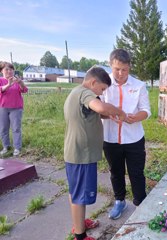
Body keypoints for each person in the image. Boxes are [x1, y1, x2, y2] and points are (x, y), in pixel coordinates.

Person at [64, 66, 126, 240]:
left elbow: (90, 113)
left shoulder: (76, 93)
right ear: (93, 82)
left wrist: (107, 116)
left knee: (76, 193)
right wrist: (119, 111)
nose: (102, 93)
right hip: (81, 155)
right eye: (102, 89)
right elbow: (99, 107)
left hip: (76, 154)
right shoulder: (85, 92)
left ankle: (79, 223)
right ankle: (80, 235)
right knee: (78, 196)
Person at [101, 49, 151, 220]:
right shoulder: (103, 84)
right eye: (117, 69)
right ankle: (119, 201)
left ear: (129, 67)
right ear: (110, 65)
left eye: (125, 70)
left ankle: (140, 203)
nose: (121, 74)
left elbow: (146, 111)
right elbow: (96, 108)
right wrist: (109, 114)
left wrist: (136, 117)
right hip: (110, 137)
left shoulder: (139, 85)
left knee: (136, 172)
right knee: (116, 172)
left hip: (134, 138)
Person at [0, 61, 28, 156]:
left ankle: (17, 148)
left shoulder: (16, 80)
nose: (9, 71)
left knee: (16, 128)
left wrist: (20, 82)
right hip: (2, 108)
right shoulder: (1, 80)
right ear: (2, 71)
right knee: (3, 128)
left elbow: (24, 90)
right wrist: (9, 84)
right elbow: (1, 89)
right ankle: (6, 146)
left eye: (11, 69)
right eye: (6, 69)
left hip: (16, 108)